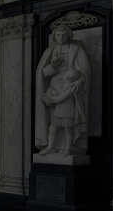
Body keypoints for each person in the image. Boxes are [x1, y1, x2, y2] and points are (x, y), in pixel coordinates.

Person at [35, 25, 90, 155]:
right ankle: (51, 146)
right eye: (58, 35)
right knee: (53, 121)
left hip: (70, 86)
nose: (61, 37)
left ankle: (69, 147)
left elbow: (85, 72)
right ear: (54, 36)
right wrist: (53, 66)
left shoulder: (77, 49)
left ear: (69, 35)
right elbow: (42, 73)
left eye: (64, 35)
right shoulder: (50, 50)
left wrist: (80, 81)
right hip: (54, 86)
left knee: (68, 122)